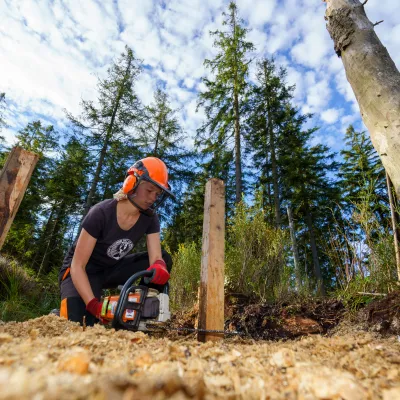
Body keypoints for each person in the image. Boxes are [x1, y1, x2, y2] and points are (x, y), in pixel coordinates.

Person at [58, 157, 175, 325]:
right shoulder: (100, 213)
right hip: (81, 272)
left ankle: (140, 312)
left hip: (112, 268)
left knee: (164, 259)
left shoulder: (150, 218)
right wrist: (93, 305)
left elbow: (155, 256)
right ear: (132, 182)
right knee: (78, 325)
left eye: (157, 194)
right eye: (149, 190)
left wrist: (159, 265)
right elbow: (78, 265)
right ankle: (60, 314)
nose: (152, 198)